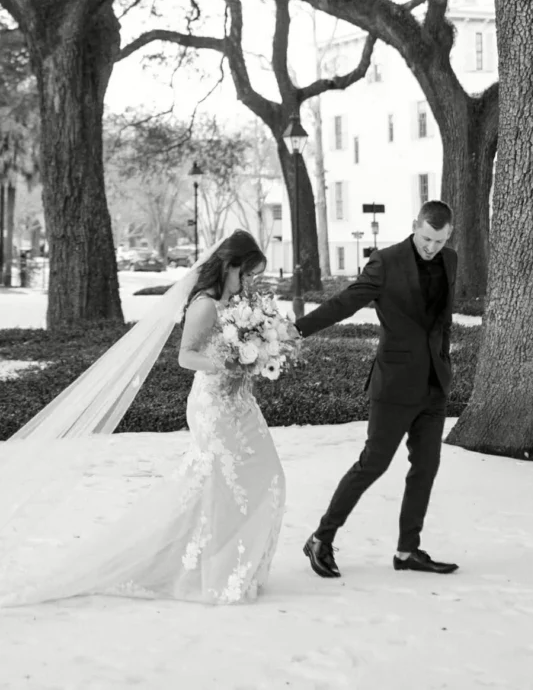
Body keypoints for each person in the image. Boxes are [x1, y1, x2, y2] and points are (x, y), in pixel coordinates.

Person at [0, 230, 286, 607]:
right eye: (247, 274)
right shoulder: (206, 304)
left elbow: (241, 345)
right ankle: (214, 570)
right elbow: (186, 356)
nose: (249, 283)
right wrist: (231, 362)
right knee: (221, 484)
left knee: (264, 476)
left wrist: (263, 351)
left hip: (239, 403)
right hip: (215, 406)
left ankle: (232, 563)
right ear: (230, 265)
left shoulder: (235, 304)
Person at [295, 201, 459, 578]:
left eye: (440, 240)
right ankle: (321, 538)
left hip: (435, 384)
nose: (432, 247)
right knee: (373, 464)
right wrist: (297, 330)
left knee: (426, 468)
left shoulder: (450, 260)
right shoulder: (386, 261)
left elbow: (442, 320)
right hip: (395, 385)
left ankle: (407, 551)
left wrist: (444, 361)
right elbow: (345, 303)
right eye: (426, 238)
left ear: (449, 235)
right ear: (414, 225)